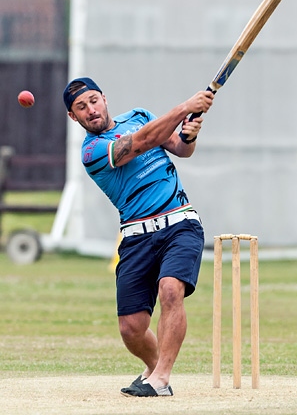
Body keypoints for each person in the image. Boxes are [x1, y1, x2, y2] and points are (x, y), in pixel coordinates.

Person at [63, 77, 214, 397]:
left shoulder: (141, 115)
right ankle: (156, 367)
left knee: (170, 289)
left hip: (180, 222)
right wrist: (183, 108)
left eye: (93, 100)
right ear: (73, 117)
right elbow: (140, 143)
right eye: (81, 107)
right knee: (131, 329)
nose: (91, 110)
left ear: (104, 98)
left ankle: (160, 379)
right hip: (135, 236)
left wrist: (189, 134)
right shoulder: (92, 151)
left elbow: (180, 149)